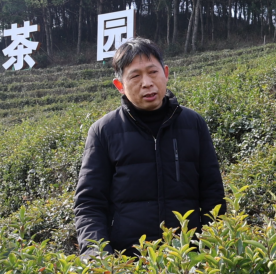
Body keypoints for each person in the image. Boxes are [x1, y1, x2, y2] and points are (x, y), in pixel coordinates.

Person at [74, 38, 226, 257]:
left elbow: (213, 195)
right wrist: (97, 257)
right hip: (127, 263)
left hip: (188, 261)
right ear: (120, 86)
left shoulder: (193, 124)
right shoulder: (103, 131)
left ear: (165, 73)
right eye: (135, 76)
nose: (146, 83)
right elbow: (90, 203)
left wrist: (213, 249)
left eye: (153, 72)